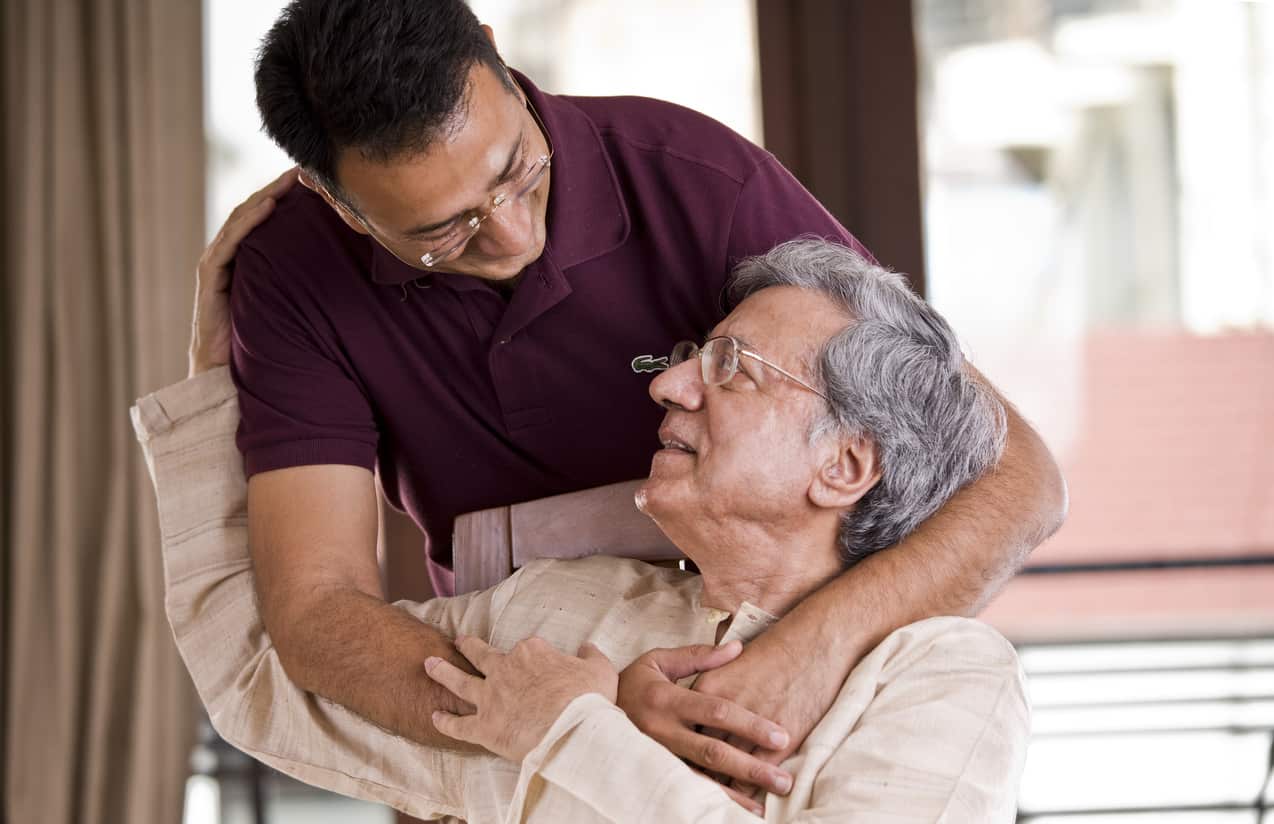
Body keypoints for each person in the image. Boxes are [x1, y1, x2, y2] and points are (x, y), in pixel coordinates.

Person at [203, 0, 1065, 792]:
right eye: (442, 231)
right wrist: (592, 715)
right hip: (504, 689)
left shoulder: (694, 180)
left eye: (518, 171)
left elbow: (1016, 475)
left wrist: (816, 648)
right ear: (336, 200)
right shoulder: (295, 272)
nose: (510, 233)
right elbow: (315, 613)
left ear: (497, 60)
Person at [141, 240, 1029, 822]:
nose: (669, 387)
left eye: (730, 367)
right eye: (692, 357)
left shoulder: (944, 675)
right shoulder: (560, 612)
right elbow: (270, 671)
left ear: (844, 465)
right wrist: (228, 372)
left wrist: (571, 732)